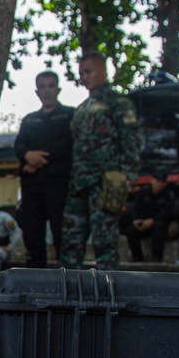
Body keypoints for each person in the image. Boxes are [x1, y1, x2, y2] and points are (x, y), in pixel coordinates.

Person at [59, 52, 142, 270]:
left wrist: (125, 176)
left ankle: (107, 293)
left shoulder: (119, 103)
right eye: (81, 73)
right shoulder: (81, 109)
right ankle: (67, 292)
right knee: (71, 240)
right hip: (79, 183)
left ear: (104, 71)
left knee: (105, 241)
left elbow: (131, 140)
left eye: (89, 71)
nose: (84, 77)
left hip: (105, 182)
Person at [14, 71, 74, 268]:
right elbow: (19, 145)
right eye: (42, 86)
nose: (47, 90)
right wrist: (27, 157)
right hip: (32, 187)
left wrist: (38, 160)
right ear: (37, 91)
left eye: (50, 86)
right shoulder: (30, 120)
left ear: (58, 89)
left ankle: (66, 280)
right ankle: (36, 281)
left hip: (58, 185)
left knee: (62, 236)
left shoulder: (69, 115)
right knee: (32, 236)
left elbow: (68, 144)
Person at [124, 171, 175, 262]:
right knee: (131, 230)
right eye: (157, 180)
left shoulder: (168, 195)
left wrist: (152, 220)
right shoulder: (143, 193)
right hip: (143, 224)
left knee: (159, 226)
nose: (159, 183)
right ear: (152, 180)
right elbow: (136, 209)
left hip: (158, 224)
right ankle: (137, 257)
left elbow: (166, 213)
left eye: (162, 181)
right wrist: (136, 221)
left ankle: (157, 257)